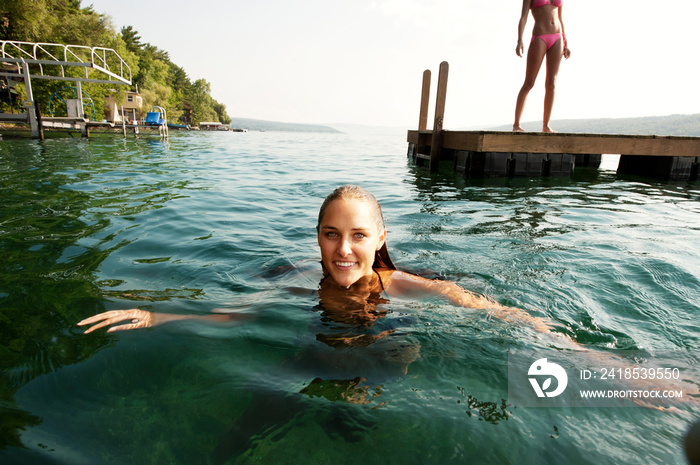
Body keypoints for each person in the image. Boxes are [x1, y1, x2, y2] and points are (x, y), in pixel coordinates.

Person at [78, 185, 552, 335]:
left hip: (388, 342)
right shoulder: (303, 279)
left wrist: (586, 356)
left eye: (358, 236)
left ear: (380, 238)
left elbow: (493, 310)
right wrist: (153, 315)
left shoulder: (402, 284)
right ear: (318, 238)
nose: (343, 250)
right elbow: (232, 316)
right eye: (332, 235)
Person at [513, 0, 571, 133]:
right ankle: (516, 125)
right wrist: (520, 40)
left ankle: (546, 125)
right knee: (529, 83)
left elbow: (560, 19)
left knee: (551, 83)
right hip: (540, 37)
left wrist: (566, 42)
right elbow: (524, 17)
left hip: (557, 38)